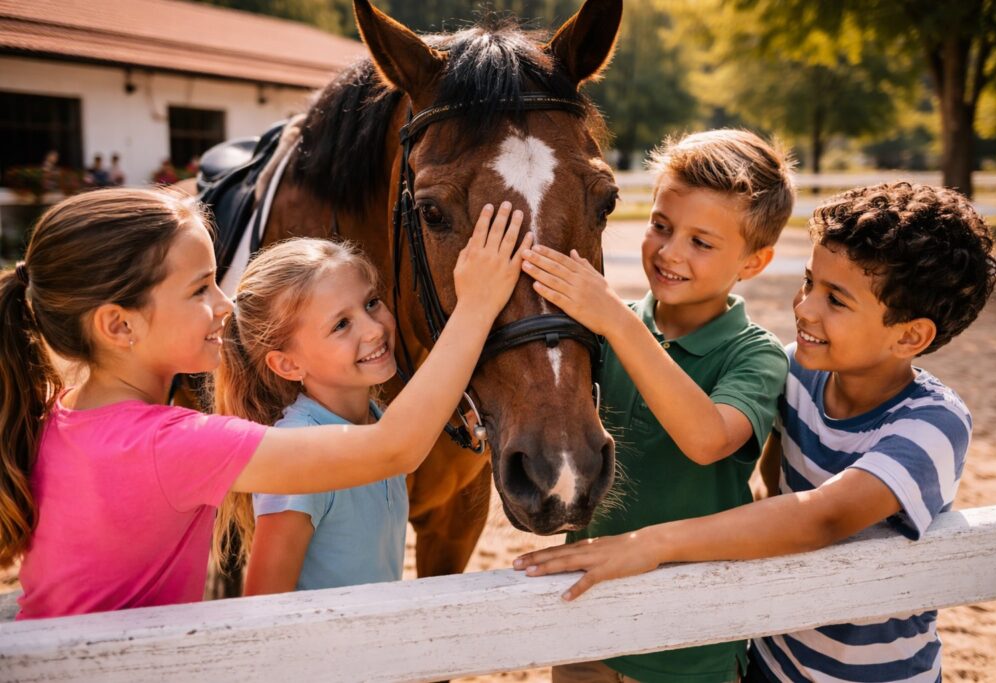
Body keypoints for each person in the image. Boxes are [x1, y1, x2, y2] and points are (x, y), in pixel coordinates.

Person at [515, 183, 996, 683]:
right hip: (769, 660)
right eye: (811, 281)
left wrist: (649, 544)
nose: (806, 308)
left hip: (874, 674)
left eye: (836, 299)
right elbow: (767, 488)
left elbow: (821, 518)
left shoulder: (933, 424)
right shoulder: (798, 374)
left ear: (910, 336)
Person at [0, 188, 530, 619]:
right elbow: (394, 449)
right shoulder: (173, 444)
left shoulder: (56, 414)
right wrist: (477, 305)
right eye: (201, 289)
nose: (225, 305)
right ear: (120, 325)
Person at [520, 129, 796, 683]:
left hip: (690, 644)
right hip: (586, 625)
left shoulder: (755, 355)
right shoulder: (601, 327)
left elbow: (706, 439)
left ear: (754, 261)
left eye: (702, 242)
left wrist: (617, 324)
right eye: (661, 226)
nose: (669, 252)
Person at [212, 238, 407, 593]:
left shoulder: (377, 420)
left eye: (371, 303)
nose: (374, 329)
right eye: (341, 325)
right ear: (288, 364)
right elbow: (264, 600)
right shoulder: (296, 455)